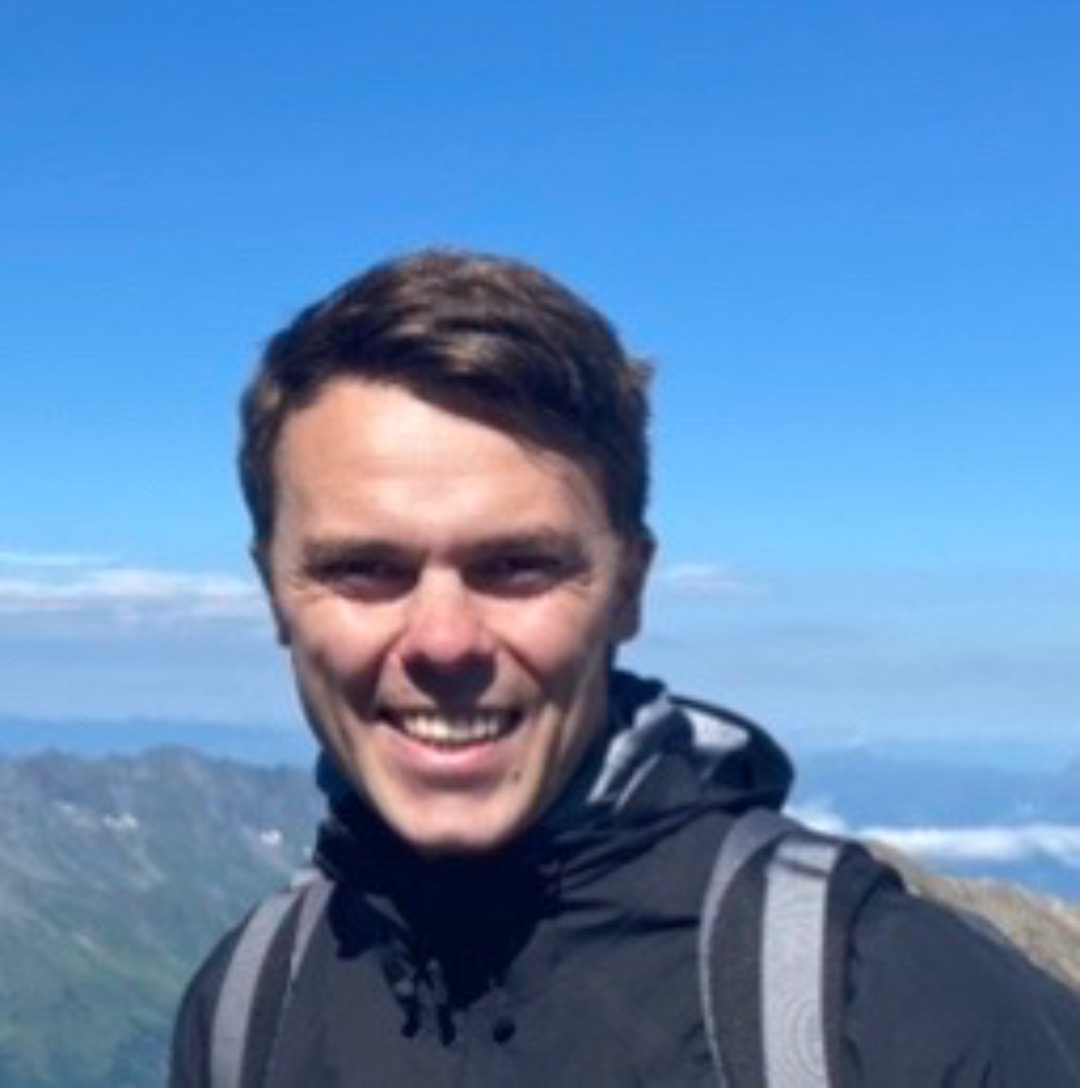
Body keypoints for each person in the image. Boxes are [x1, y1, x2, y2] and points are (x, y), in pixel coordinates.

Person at [171, 249, 1080, 1087]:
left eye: (518, 565)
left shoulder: (897, 1009)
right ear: (276, 593)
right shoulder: (247, 1008)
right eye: (363, 568)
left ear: (628, 590)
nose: (444, 641)